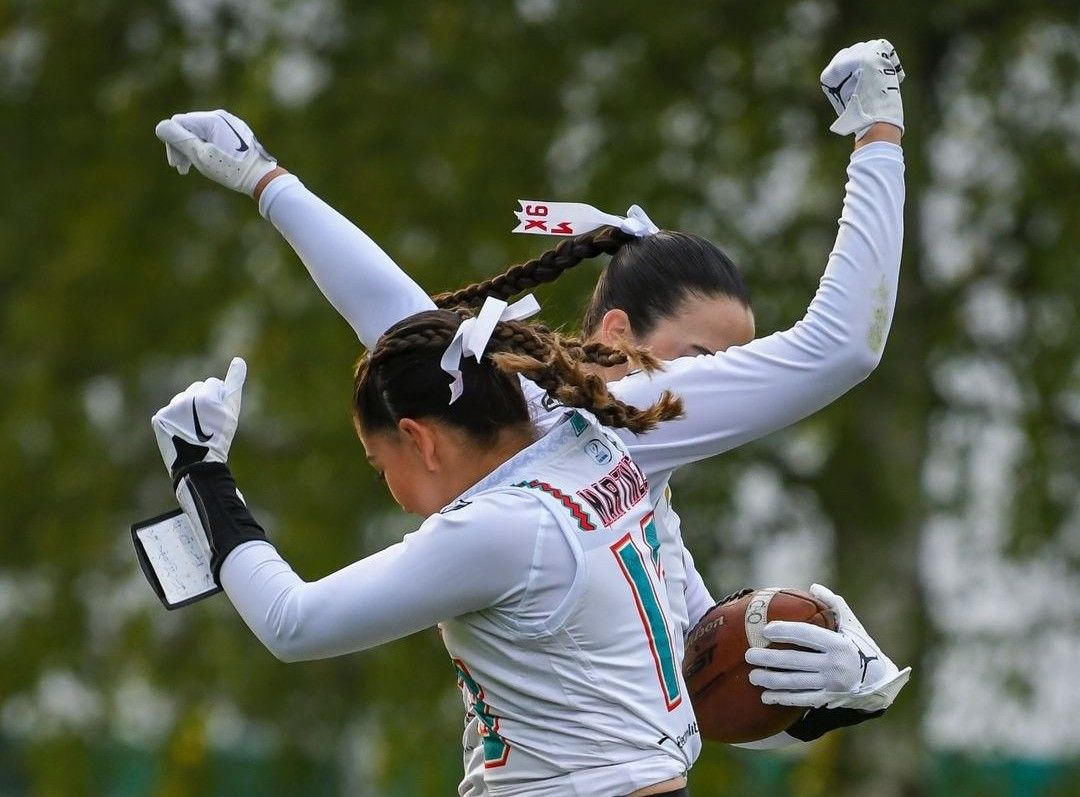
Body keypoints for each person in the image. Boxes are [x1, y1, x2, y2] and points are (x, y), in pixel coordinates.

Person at [154, 39, 910, 756]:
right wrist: (877, 132)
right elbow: (841, 345)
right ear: (616, 335)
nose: (727, 384)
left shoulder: (586, 449)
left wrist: (842, 690)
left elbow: (686, 691)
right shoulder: (599, 446)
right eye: (705, 359)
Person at [150, 301, 700, 797]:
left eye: (380, 464)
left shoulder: (500, 527)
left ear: (418, 439)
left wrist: (201, 475)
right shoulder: (585, 445)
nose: (390, 490)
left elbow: (293, 624)